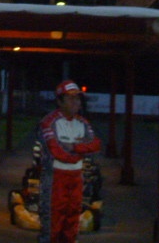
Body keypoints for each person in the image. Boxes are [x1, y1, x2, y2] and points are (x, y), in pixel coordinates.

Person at [37, 79, 102, 243]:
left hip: (76, 176)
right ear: (59, 101)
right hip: (55, 177)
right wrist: (80, 151)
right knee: (53, 218)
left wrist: (74, 147)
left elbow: (96, 145)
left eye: (78, 98)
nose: (76, 102)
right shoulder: (48, 122)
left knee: (73, 217)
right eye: (70, 98)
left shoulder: (83, 123)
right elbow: (56, 151)